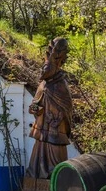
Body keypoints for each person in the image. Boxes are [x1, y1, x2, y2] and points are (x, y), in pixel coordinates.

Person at [26, 37, 73, 179]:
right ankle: (36, 176)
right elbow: (34, 103)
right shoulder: (43, 85)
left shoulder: (61, 85)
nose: (44, 72)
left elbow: (67, 108)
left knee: (55, 156)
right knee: (38, 156)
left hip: (55, 129)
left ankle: (56, 179)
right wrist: (34, 108)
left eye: (48, 69)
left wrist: (58, 120)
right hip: (41, 129)